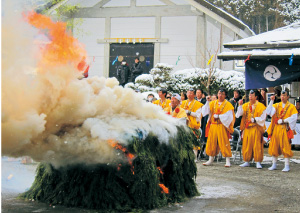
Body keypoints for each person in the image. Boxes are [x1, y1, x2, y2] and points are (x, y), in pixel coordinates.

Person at [202, 88, 235, 167]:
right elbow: (205, 112)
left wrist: (220, 116)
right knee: (211, 141)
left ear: (225, 95)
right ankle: (211, 159)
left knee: (224, 142)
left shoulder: (228, 105)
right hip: (213, 125)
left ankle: (227, 160)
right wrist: (207, 102)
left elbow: (229, 116)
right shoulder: (213, 103)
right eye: (219, 93)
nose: (220, 95)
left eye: (222, 94)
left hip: (222, 125)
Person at [266, 90, 298, 172]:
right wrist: (271, 101)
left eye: (284, 95)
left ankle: (287, 165)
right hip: (276, 128)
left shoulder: (291, 106)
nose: (283, 97)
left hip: (285, 128)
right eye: (281, 95)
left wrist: (284, 120)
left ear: (288, 97)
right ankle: (274, 164)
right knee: (274, 146)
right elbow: (268, 112)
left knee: (286, 146)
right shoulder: (276, 105)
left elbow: (294, 117)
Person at [236, 90, 267, 169]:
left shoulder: (261, 106)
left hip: (256, 127)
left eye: (251, 95)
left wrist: (255, 119)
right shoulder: (245, 105)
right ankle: (247, 160)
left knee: (257, 145)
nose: (250, 97)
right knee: (247, 145)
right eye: (249, 95)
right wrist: (239, 105)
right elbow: (238, 114)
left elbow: (263, 118)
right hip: (247, 128)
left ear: (256, 97)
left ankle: (258, 161)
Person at [181, 88, 203, 160]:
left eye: (191, 93)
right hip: (184, 124)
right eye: (188, 93)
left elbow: (198, 115)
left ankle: (194, 157)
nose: (189, 94)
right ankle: (185, 157)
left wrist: (189, 112)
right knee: (184, 141)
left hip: (193, 125)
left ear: (194, 95)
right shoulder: (183, 103)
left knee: (194, 142)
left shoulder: (198, 104)